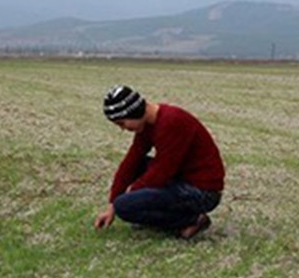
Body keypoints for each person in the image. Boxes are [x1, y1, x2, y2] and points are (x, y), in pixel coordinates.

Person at [93, 85, 224, 239]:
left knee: (125, 206)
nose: (123, 129)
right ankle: (170, 217)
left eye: (122, 123)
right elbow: (131, 161)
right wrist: (111, 203)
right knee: (137, 168)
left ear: (132, 112)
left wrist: (121, 202)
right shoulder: (148, 124)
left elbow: (161, 172)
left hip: (202, 191)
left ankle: (193, 220)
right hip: (182, 180)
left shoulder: (171, 121)